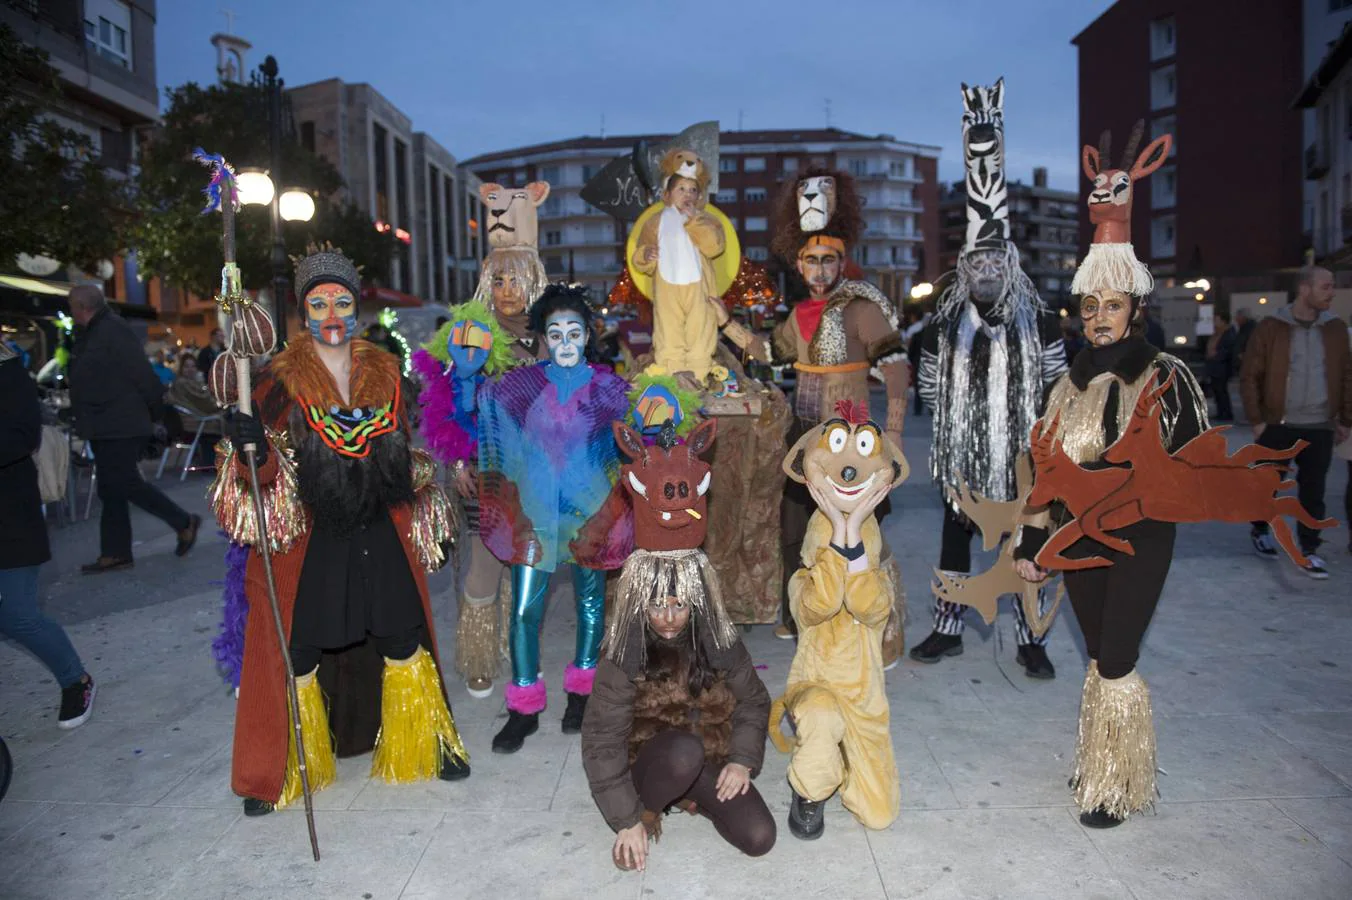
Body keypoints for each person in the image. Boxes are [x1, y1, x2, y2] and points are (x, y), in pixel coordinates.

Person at [215, 243, 468, 816]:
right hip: (313, 532)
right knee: (300, 644)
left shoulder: (384, 371)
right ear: (304, 314)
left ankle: (426, 743)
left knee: (402, 631)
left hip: (379, 522)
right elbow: (260, 473)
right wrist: (251, 446)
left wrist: (419, 484)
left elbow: (406, 446)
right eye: (320, 303)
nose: (332, 315)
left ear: (358, 310)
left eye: (343, 302)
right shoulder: (276, 384)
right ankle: (287, 765)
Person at [1014, 120, 1204, 830]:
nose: (1098, 318)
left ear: (1136, 310)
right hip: (1077, 537)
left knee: (1119, 656)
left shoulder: (1167, 376)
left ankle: (1118, 787)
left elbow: (1191, 463)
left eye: (1112, 306)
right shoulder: (1062, 386)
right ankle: (1100, 761)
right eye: (1090, 306)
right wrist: (1032, 543)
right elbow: (1042, 470)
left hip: (1141, 537)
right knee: (1097, 652)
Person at [912, 79, 1066, 677]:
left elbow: (1056, 388)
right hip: (962, 461)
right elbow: (928, 384)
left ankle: (1032, 637)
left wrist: (1033, 441)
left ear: (1011, 265)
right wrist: (962, 428)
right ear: (962, 268)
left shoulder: (1041, 321)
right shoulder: (943, 325)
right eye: (975, 262)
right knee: (955, 539)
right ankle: (948, 627)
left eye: (994, 262)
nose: (985, 271)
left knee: (1027, 543)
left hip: (1023, 462)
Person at [582, 417, 775, 869]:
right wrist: (627, 817)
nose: (668, 617)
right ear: (638, 604)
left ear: (696, 602)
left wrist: (742, 761)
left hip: (705, 755)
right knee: (680, 752)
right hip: (650, 763)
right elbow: (601, 739)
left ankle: (691, 795)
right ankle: (653, 804)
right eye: (656, 605)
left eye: (679, 604)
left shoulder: (715, 634)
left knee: (760, 837)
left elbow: (754, 701)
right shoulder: (627, 643)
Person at [478, 284, 633, 753]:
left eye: (574, 332)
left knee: (590, 608)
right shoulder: (523, 384)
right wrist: (465, 377)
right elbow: (484, 405)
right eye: (555, 333)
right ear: (544, 338)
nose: (565, 342)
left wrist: (671, 412)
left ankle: (581, 696)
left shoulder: (611, 388)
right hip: (536, 514)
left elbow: (638, 434)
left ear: (588, 335)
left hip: (592, 516)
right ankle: (524, 706)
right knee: (524, 609)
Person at [768, 166, 909, 663]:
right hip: (803, 435)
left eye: (830, 260)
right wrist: (721, 320)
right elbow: (771, 353)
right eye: (812, 261)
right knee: (793, 530)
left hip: (851, 437)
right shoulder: (796, 314)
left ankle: (882, 628)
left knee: (862, 535)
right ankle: (801, 614)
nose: (821, 270)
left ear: (843, 262)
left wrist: (891, 434)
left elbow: (895, 368)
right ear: (799, 265)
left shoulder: (861, 306)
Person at [770, 403, 908, 839]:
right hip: (817, 689)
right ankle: (810, 790)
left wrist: (851, 536)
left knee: (880, 814)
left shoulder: (878, 579)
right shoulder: (800, 580)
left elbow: (868, 607)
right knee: (821, 719)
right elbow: (821, 605)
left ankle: (844, 759)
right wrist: (835, 527)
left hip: (865, 698)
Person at [411, 300, 519, 698]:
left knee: (511, 564)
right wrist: (457, 464)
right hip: (472, 486)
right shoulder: (443, 384)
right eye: (463, 344)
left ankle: (503, 642)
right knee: (482, 569)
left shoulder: (504, 382)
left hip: (509, 482)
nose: (471, 353)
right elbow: (440, 430)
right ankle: (478, 660)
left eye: (479, 345)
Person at [67, 285, 200, 574]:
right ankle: (115, 552)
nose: (70, 311)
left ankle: (182, 521)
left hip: (120, 423)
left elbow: (141, 374)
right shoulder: (94, 332)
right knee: (111, 488)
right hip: (106, 423)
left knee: (124, 483)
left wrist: (157, 414)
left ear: (81, 306)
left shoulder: (111, 330)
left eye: (71, 305)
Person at [0, 342, 96, 728]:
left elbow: (23, 435)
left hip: (10, 516)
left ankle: (76, 678)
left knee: (16, 615)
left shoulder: (7, 368)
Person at [1240, 266, 1352, 579]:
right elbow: (1251, 374)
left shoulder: (1336, 329)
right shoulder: (1272, 327)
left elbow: (1346, 374)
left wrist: (1345, 418)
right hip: (1279, 423)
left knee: (1313, 491)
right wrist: (1258, 421)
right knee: (1268, 483)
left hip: (1319, 424)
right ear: (1305, 289)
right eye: (1326, 286)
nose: (1331, 292)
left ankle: (1310, 549)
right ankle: (1260, 530)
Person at [631, 150, 726, 381]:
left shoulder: (707, 220)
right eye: (681, 189)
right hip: (668, 289)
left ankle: (701, 376)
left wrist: (695, 220)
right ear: (667, 194)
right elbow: (639, 255)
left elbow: (715, 247)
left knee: (700, 331)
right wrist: (646, 254)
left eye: (693, 190)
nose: (688, 195)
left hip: (699, 291)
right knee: (668, 332)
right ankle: (671, 377)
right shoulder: (654, 222)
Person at [1205, 311, 1237, 421]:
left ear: (1223, 321)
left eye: (1216, 320)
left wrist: (1217, 355)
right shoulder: (1217, 333)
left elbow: (1228, 350)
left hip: (1222, 367)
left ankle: (1226, 413)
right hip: (1215, 366)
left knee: (1222, 391)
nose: (1214, 322)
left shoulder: (1228, 333)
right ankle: (1221, 412)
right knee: (1217, 391)